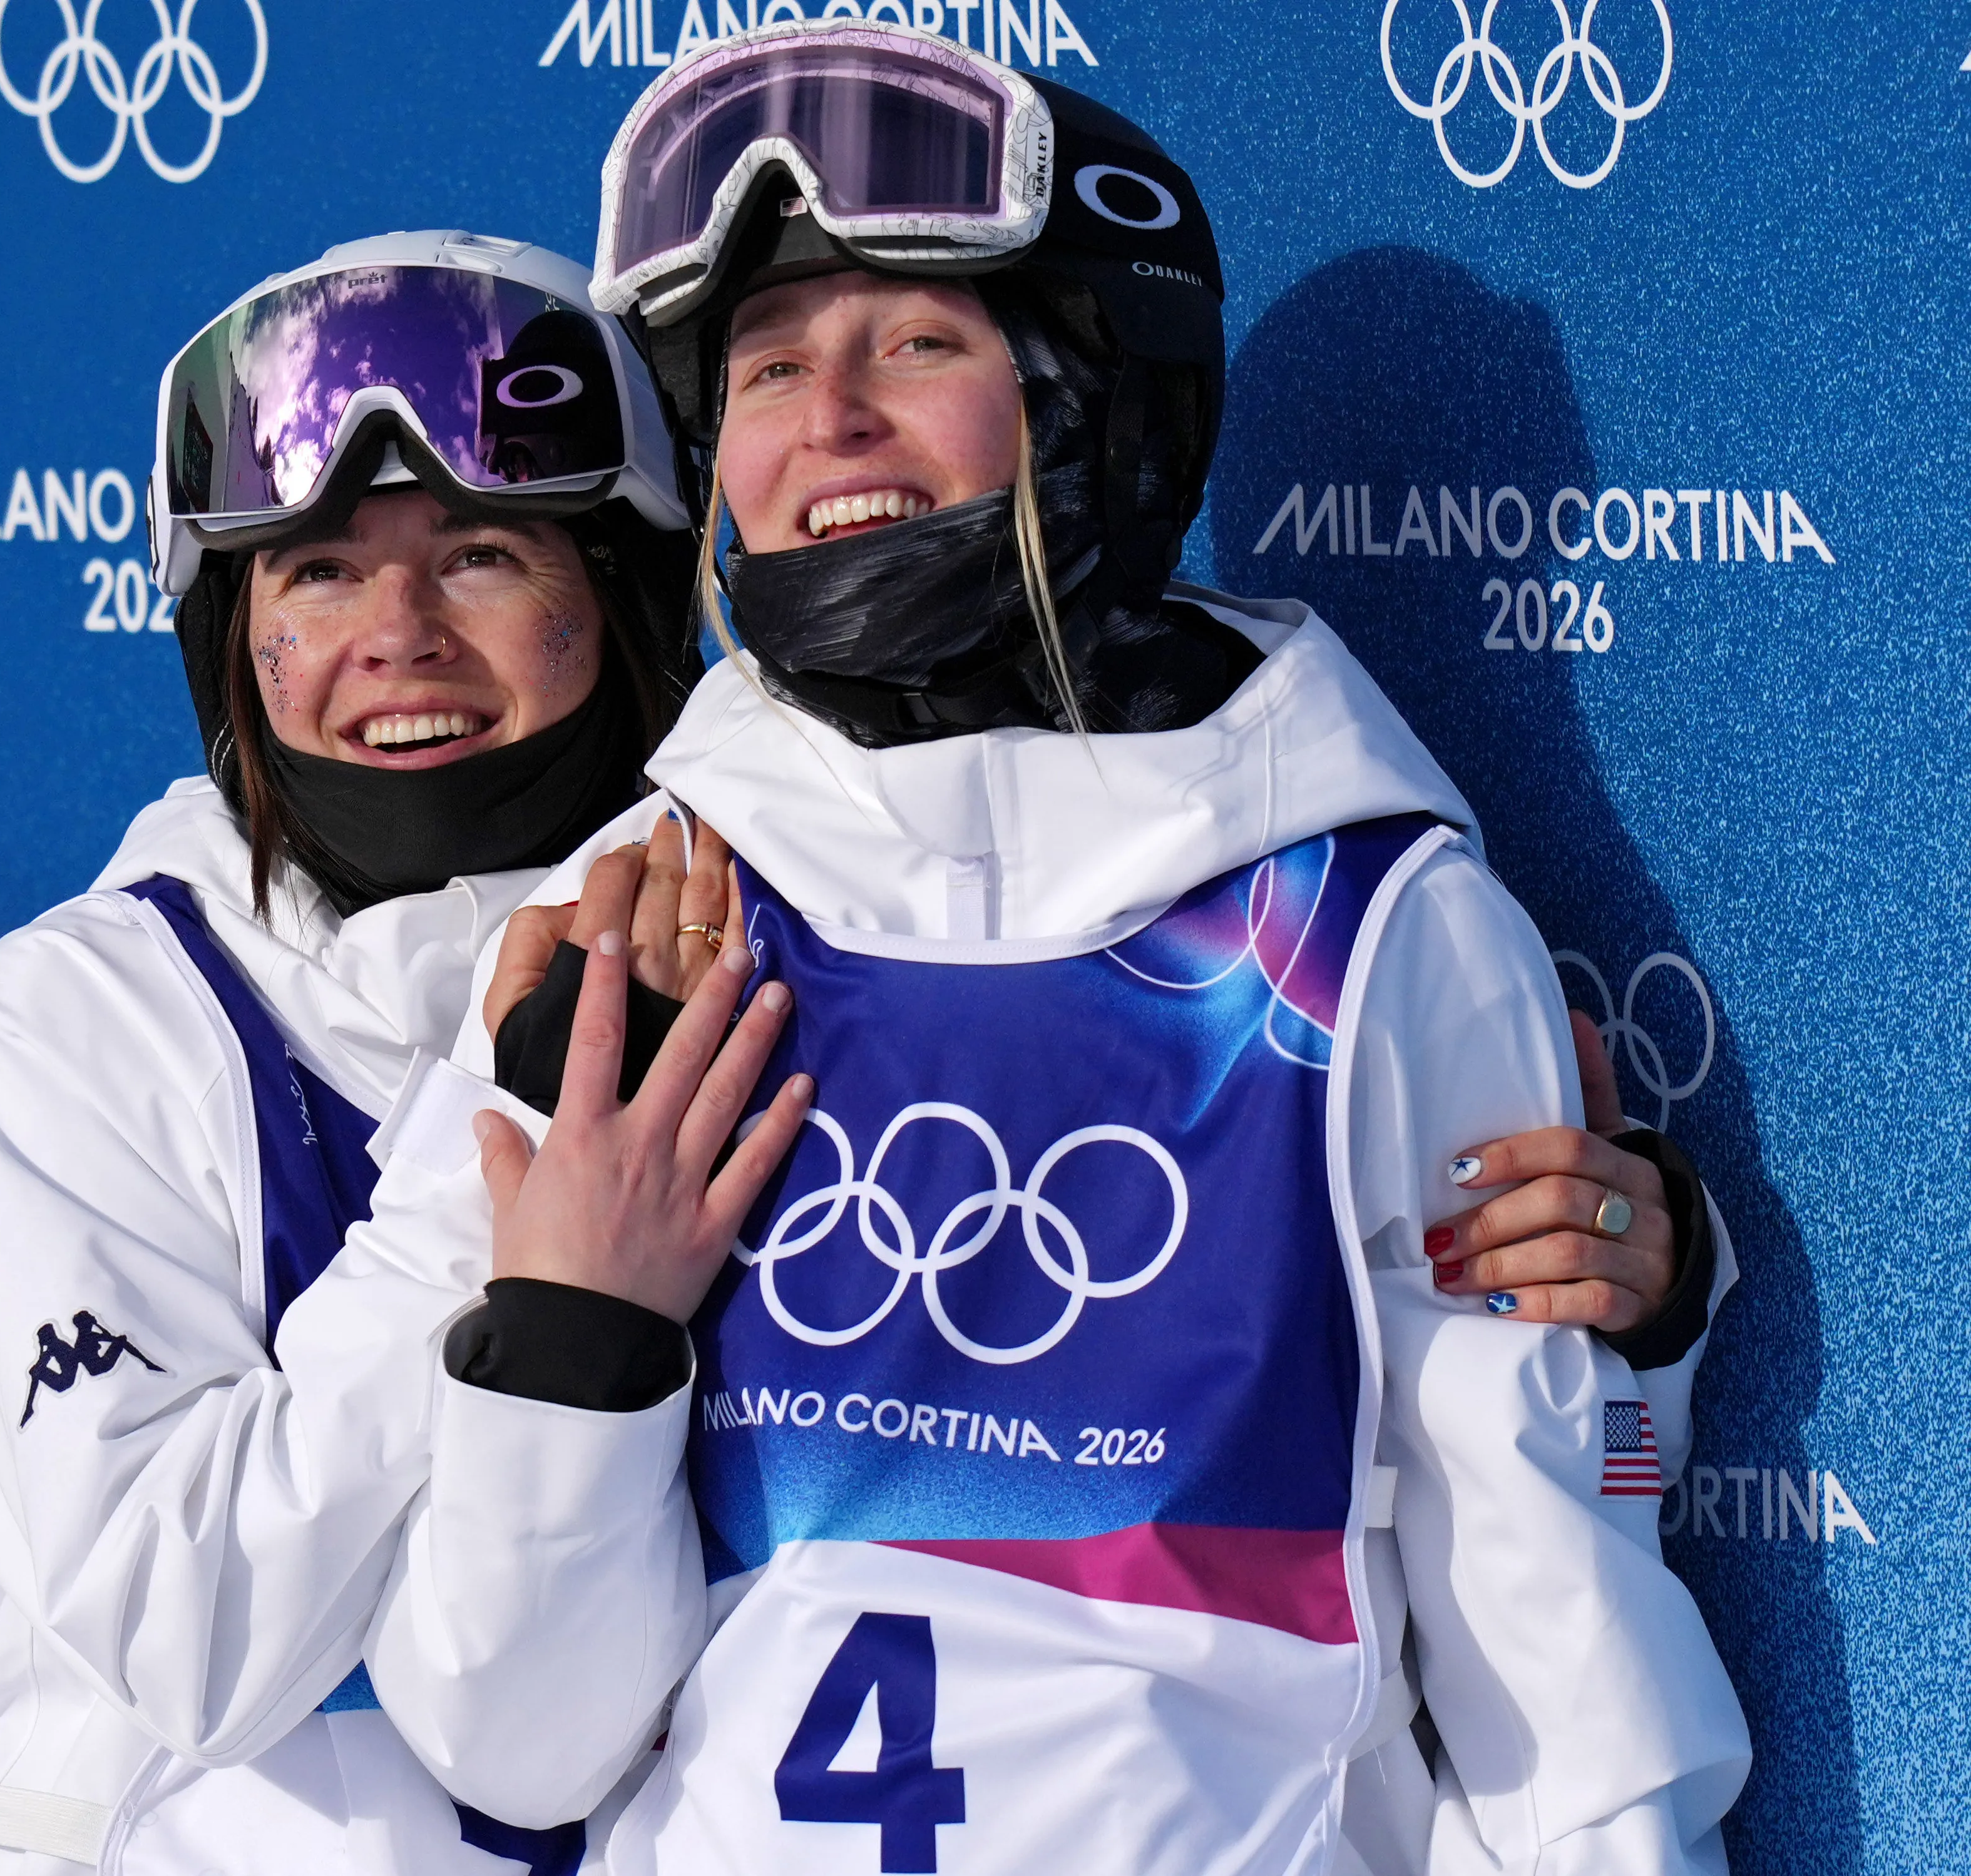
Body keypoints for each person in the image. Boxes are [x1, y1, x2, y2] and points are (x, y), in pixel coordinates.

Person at [377, 23, 1749, 1875]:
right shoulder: (643, 918)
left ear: (1106, 399)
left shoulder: (1361, 932)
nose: (828, 423)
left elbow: (1564, 1667)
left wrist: (1637, 1367)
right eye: (771, 369)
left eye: (919, 343)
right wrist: (571, 1331)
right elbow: (511, 1743)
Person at [0, 229, 809, 1876]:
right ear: (237, 644)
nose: (400, 635)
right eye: (316, 574)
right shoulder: (87, 1020)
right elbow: (191, 1623)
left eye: (484, 555)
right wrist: (517, 1137)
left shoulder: (760, 974)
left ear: (630, 598)